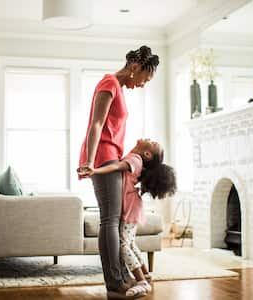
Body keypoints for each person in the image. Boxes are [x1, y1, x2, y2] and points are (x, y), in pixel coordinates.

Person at [77, 46, 159, 299]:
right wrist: (90, 161)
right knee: (110, 221)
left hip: (109, 155)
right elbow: (96, 124)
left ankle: (120, 277)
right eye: (145, 78)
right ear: (135, 68)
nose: (143, 84)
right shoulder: (109, 82)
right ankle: (115, 281)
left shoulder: (118, 88)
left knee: (112, 220)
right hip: (103, 156)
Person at [78, 138, 177, 297]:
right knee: (130, 242)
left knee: (124, 244)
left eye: (153, 143)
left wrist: (94, 171)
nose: (149, 139)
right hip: (134, 207)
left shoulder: (135, 159)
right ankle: (145, 274)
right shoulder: (137, 159)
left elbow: (116, 166)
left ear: (146, 153)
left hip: (130, 208)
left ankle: (140, 280)